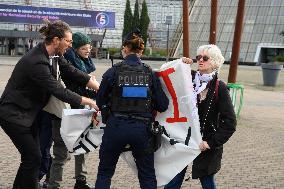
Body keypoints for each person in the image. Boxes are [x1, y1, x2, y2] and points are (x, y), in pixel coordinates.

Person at [0, 20, 99, 189]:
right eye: (68, 41)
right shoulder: (37, 61)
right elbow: (58, 90)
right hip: (14, 115)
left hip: (29, 114)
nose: (70, 45)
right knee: (34, 157)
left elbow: (71, 71)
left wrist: (94, 84)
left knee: (31, 158)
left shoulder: (54, 55)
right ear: (56, 40)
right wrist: (87, 100)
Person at [94, 29, 169, 189]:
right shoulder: (149, 73)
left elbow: (99, 101)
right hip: (142, 131)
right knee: (147, 175)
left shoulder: (113, 71)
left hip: (115, 128)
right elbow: (163, 105)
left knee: (105, 173)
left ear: (125, 49)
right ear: (141, 51)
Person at [165, 44, 237, 189]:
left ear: (215, 62)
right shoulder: (188, 78)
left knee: (207, 181)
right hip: (184, 139)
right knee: (174, 180)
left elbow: (230, 122)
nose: (200, 60)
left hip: (206, 142)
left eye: (205, 58)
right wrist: (181, 64)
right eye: (198, 57)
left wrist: (211, 142)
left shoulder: (219, 87)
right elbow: (166, 76)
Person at [46, 32, 98, 189]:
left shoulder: (84, 63)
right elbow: (73, 88)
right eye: (83, 48)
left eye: (89, 48)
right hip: (64, 112)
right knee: (62, 153)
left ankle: (80, 181)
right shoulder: (66, 63)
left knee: (82, 147)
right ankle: (53, 185)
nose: (87, 51)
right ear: (74, 49)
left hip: (81, 111)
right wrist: (93, 91)